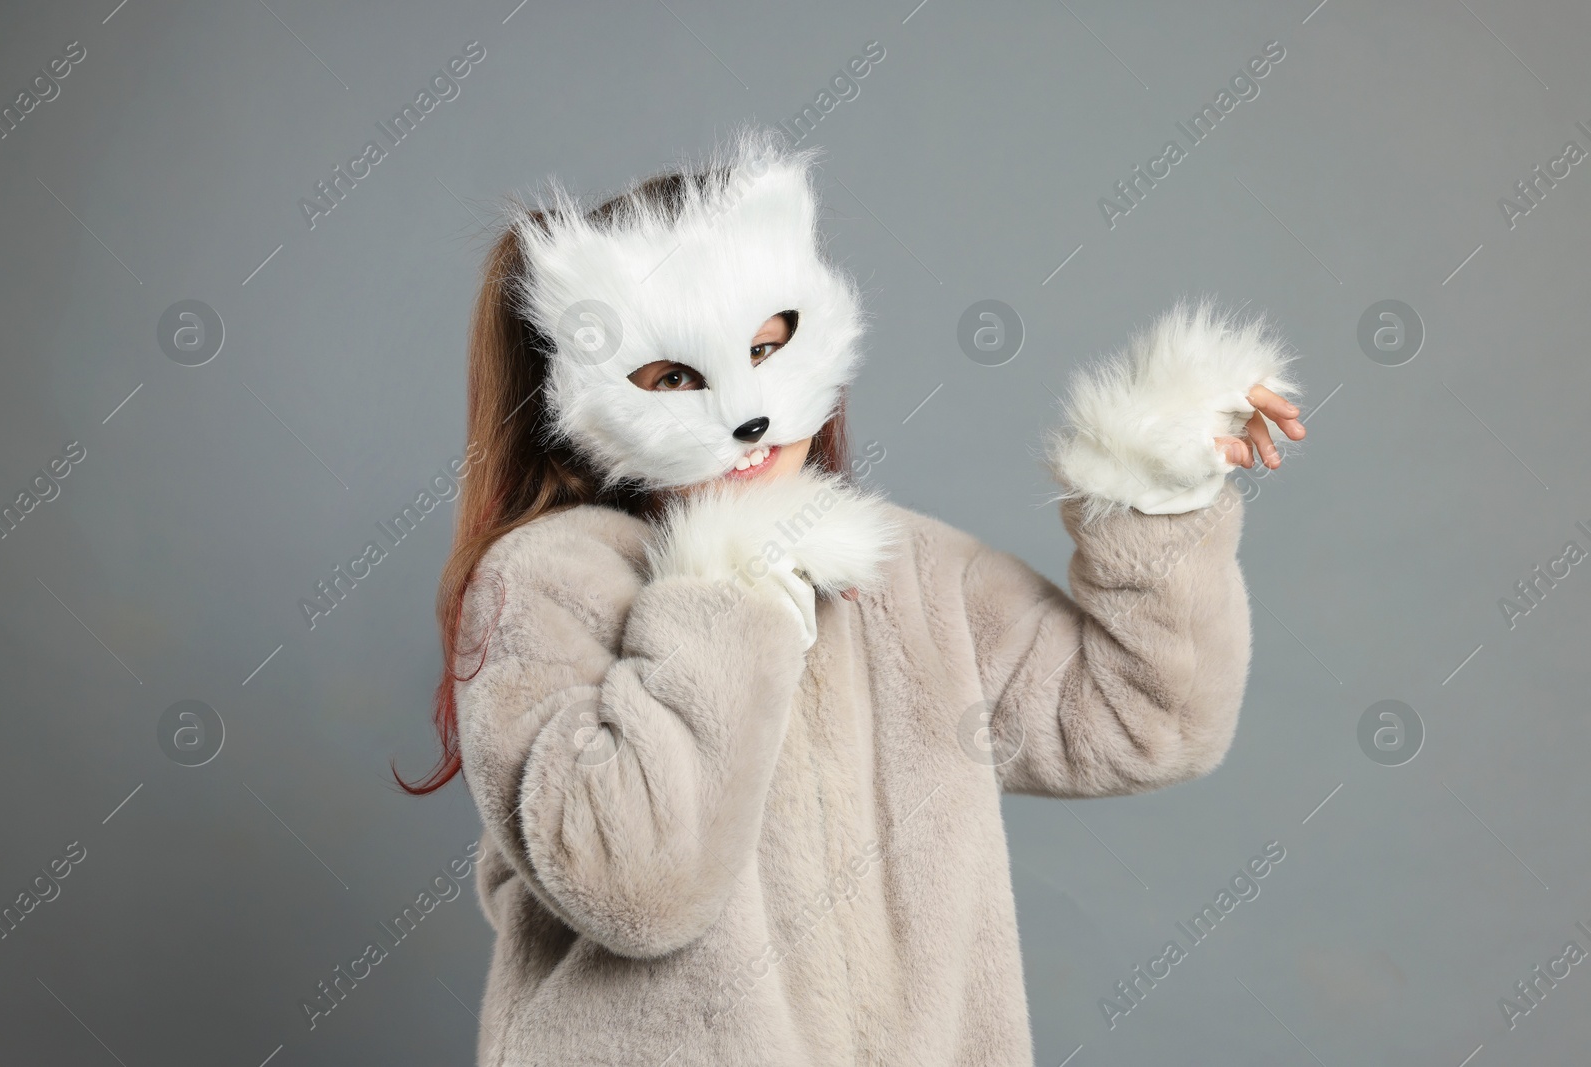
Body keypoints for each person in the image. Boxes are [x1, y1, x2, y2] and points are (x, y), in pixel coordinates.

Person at [402, 128, 1305, 1066]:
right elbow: (639, 885)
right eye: (674, 375)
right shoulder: (544, 584)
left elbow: (1148, 717)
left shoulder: (899, 569)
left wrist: (1153, 486)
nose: (743, 413)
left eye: (766, 346)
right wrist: (727, 588)